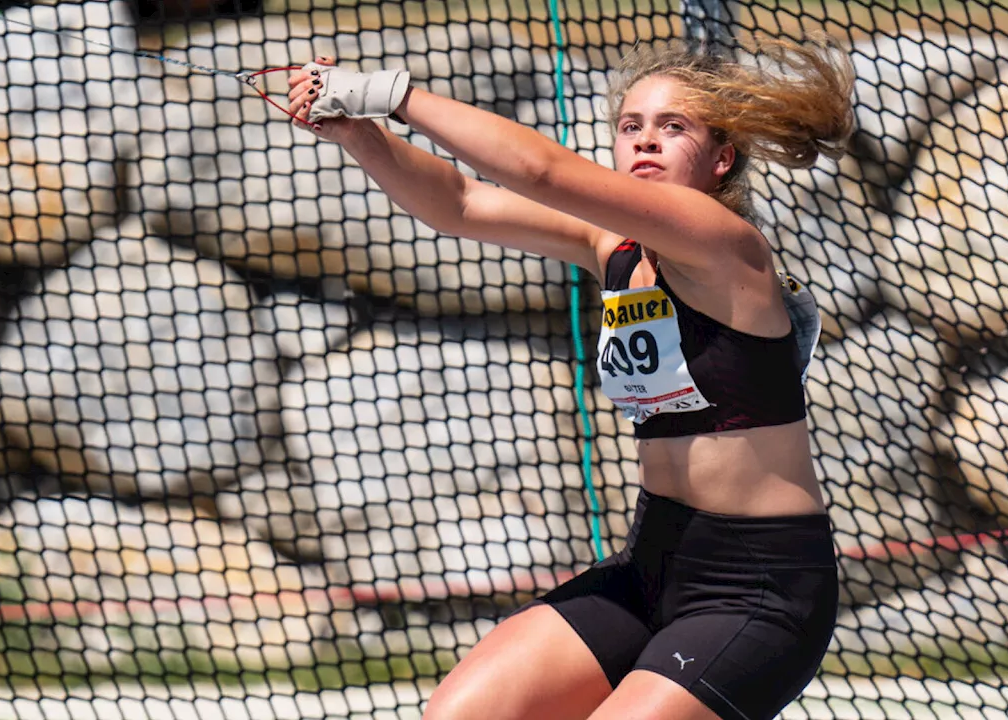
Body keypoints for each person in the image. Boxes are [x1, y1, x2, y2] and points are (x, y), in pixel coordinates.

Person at [282, 35, 855, 720]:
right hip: (653, 565)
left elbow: (543, 172)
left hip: (760, 590)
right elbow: (460, 202)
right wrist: (357, 132)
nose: (645, 142)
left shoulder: (723, 242)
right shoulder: (612, 246)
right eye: (631, 126)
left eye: (674, 128)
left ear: (721, 159)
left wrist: (391, 94)